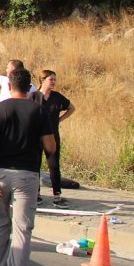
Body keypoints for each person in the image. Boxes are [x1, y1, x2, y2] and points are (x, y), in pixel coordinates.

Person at [0, 67, 56, 266]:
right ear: (30, 87)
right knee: (22, 229)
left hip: (0, 174)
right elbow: (50, 147)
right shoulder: (39, 111)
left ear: (9, 85)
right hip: (26, 174)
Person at [37, 70, 76, 208]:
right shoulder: (34, 96)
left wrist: (60, 119)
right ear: (42, 80)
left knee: (53, 165)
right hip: (36, 136)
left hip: (52, 136)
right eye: (50, 79)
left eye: (54, 79)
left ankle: (57, 195)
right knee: (35, 165)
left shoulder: (57, 97)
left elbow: (71, 108)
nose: (53, 82)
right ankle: (36, 194)